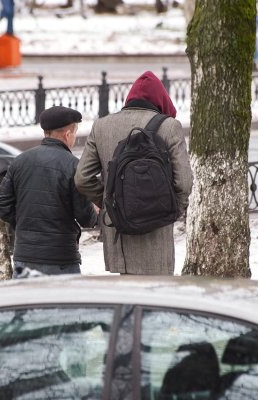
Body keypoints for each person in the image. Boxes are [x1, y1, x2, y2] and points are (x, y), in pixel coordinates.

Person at [74, 71, 193, 275]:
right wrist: (171, 210)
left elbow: (82, 178)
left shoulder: (101, 126)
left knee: (127, 298)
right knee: (155, 299)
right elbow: (184, 182)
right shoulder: (169, 127)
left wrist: (111, 203)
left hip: (119, 235)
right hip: (156, 232)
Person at [0, 106, 98, 278]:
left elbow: (1, 203)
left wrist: (24, 223)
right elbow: (85, 218)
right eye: (75, 133)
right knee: (61, 304)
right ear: (67, 135)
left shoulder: (20, 161)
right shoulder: (73, 165)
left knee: (26, 303)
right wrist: (94, 212)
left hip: (24, 255)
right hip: (60, 258)